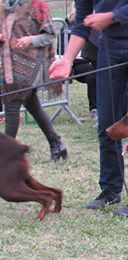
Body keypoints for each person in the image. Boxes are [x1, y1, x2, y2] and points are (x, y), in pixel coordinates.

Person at [49, 0, 128, 217]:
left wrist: (111, 17)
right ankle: (111, 189)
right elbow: (83, 22)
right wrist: (66, 59)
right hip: (110, 47)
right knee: (107, 121)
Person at [0, 0, 67, 162]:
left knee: (12, 106)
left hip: (29, 65)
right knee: (32, 105)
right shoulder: (2, 5)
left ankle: (6, 156)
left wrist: (31, 40)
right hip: (8, 65)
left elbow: (50, 33)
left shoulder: (37, 5)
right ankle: (57, 144)